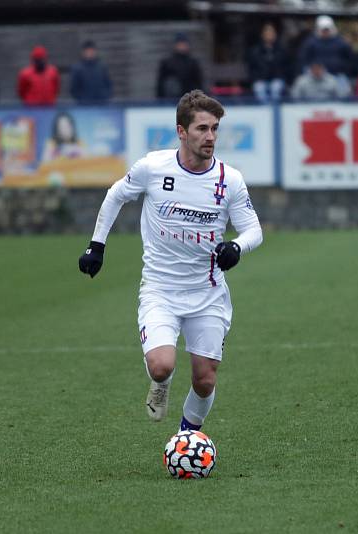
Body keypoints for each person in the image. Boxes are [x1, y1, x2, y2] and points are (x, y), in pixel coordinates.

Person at [78, 90, 262, 432]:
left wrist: (236, 247)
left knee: (205, 380)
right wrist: (96, 245)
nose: (210, 137)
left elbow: (253, 230)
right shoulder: (152, 167)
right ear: (182, 131)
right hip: (160, 290)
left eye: (215, 129)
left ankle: (186, 437)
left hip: (207, 292)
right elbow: (115, 195)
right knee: (162, 365)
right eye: (202, 129)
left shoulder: (229, 179)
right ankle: (160, 385)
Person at [297, 15, 355, 82]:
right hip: (315, 77)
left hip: (337, 76)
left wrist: (343, 69)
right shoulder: (310, 43)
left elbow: (350, 59)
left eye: (327, 29)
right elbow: (303, 60)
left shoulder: (341, 43)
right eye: (323, 30)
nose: (325, 32)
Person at [246, 22, 289, 103]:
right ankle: (265, 110)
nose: (269, 35)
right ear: (262, 35)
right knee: (259, 88)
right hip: (261, 80)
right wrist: (257, 78)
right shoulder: (255, 51)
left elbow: (286, 67)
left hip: (277, 79)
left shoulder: (281, 50)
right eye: (267, 32)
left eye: (271, 32)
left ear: (275, 34)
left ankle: (275, 111)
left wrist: (281, 77)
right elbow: (252, 69)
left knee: (275, 87)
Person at [156, 33, 203, 99]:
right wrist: (160, 99)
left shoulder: (193, 63)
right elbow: (160, 84)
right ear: (175, 45)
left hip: (189, 100)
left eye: (184, 44)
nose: (182, 46)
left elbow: (199, 83)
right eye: (180, 44)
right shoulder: (167, 62)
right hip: (170, 100)